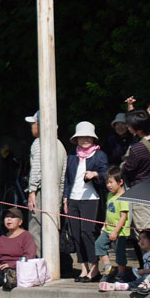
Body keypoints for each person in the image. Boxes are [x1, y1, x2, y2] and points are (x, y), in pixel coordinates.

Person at [63, 121, 108, 282]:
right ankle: (83, 268)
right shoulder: (72, 155)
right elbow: (67, 179)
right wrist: (65, 197)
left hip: (91, 199)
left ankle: (95, 267)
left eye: (88, 137)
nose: (85, 140)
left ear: (93, 138)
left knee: (87, 232)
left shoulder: (99, 155)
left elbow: (106, 175)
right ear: (76, 139)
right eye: (81, 137)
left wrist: (95, 174)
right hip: (73, 197)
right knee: (75, 234)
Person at [23, 112, 67, 254]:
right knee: (52, 228)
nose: (31, 127)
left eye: (33, 124)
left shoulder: (39, 142)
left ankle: (37, 262)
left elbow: (36, 167)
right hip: (56, 193)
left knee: (36, 227)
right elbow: (63, 177)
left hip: (41, 192)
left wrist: (32, 191)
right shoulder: (60, 145)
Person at [121, 109, 150, 238]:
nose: (127, 127)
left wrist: (122, 165)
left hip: (142, 191)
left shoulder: (137, 148)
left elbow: (128, 168)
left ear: (138, 130)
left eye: (129, 126)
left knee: (144, 231)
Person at [94, 166, 129, 279]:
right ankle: (108, 266)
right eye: (107, 183)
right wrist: (104, 225)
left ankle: (121, 274)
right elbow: (108, 212)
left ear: (120, 182)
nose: (108, 185)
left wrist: (115, 231)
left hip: (120, 231)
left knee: (120, 254)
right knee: (99, 244)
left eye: (111, 182)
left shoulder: (123, 197)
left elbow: (123, 217)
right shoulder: (109, 195)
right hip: (108, 228)